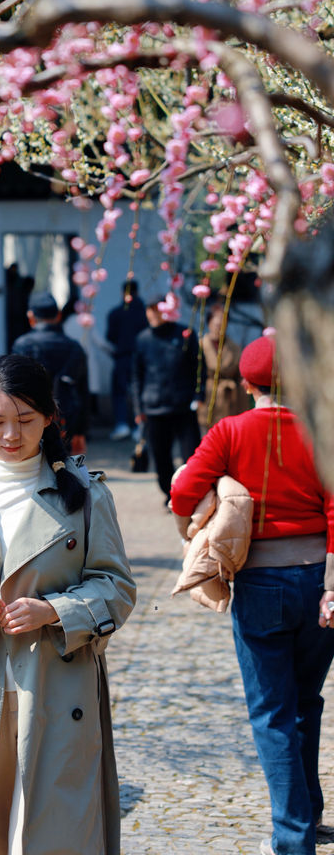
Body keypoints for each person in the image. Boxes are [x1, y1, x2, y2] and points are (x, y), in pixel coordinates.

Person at [0, 353, 136, 855]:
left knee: (52, 825)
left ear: (50, 417)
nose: (11, 435)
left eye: (26, 421)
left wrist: (54, 611)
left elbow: (117, 587)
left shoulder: (85, 494)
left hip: (56, 685)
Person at [170, 334, 334, 855]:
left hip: (260, 582)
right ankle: (308, 815)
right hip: (318, 584)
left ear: (246, 383)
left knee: (272, 712)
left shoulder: (230, 431)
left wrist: (197, 514)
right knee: (306, 701)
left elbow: (182, 493)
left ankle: (292, 839)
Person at [132, 293, 204, 503]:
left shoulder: (185, 334)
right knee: (161, 458)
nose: (153, 314)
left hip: (183, 406)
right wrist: (138, 409)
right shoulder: (143, 339)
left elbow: (199, 367)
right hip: (154, 407)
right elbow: (136, 376)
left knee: (192, 456)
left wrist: (199, 395)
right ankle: (169, 493)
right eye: (149, 309)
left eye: (157, 308)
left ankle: (191, 493)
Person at [11, 291, 89, 452]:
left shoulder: (22, 345)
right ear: (59, 315)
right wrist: (81, 432)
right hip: (66, 419)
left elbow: (14, 389)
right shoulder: (75, 347)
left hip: (30, 419)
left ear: (31, 316)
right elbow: (82, 392)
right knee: (63, 467)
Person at [197, 302, 249, 433]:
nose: (220, 327)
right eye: (216, 324)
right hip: (208, 398)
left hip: (230, 400)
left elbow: (240, 377)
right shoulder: (200, 346)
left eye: (223, 323)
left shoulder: (235, 348)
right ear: (209, 323)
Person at [105, 278, 147, 440]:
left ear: (123, 293)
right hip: (141, 357)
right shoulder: (144, 311)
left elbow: (110, 336)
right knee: (140, 392)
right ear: (137, 292)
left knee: (120, 393)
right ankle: (139, 426)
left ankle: (122, 424)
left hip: (122, 356)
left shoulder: (116, 313)